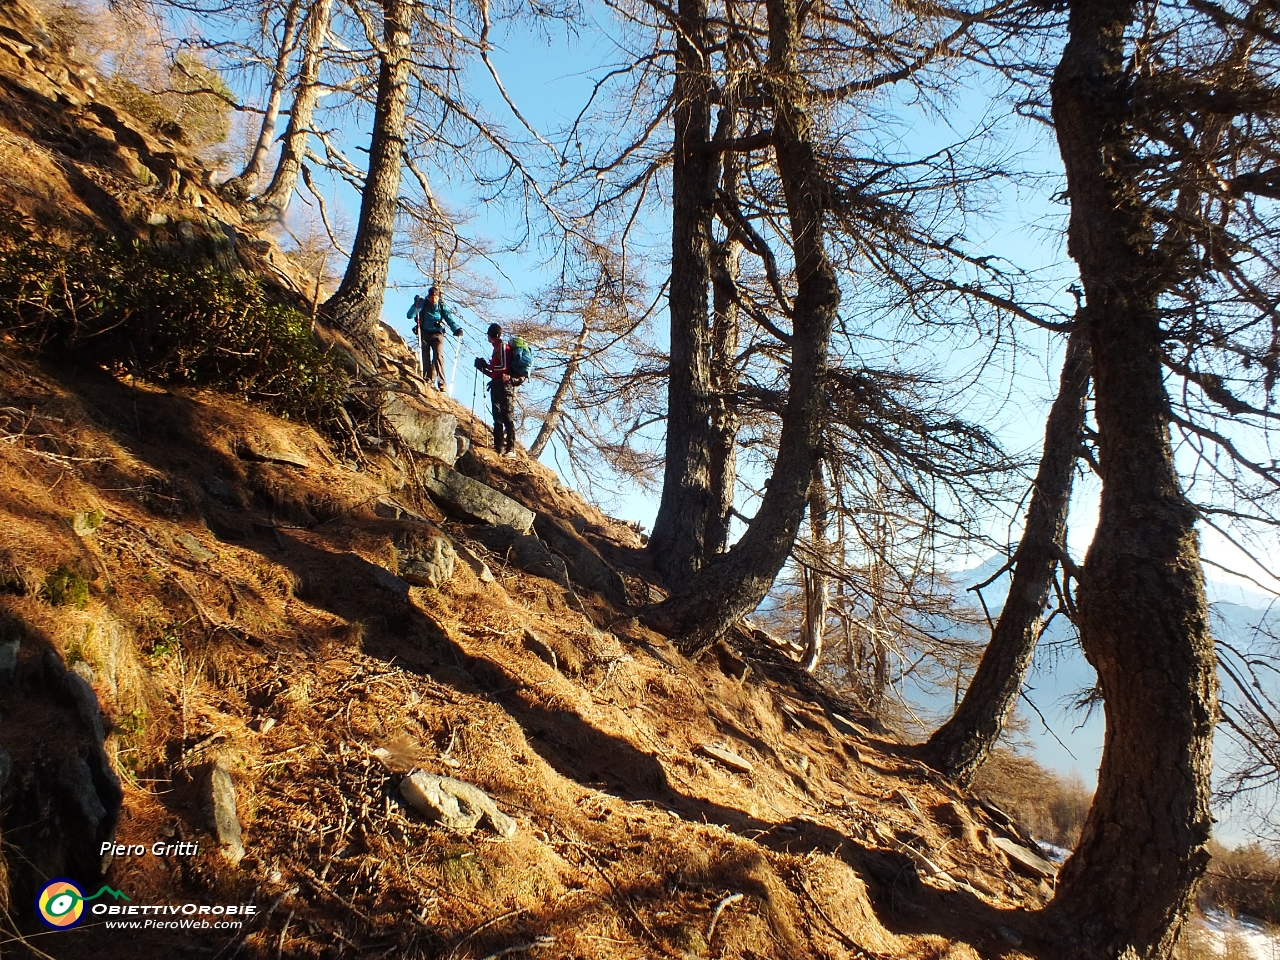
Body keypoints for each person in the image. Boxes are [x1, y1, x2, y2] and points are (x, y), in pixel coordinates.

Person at [407, 286, 462, 391]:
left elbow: (449, 319)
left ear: (438, 297)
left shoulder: (441, 306)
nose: (433, 300)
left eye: (435, 297)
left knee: (438, 356)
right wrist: (415, 305)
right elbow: (410, 315)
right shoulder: (423, 304)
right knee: (425, 356)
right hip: (425, 333)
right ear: (428, 297)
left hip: (438, 334)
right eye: (432, 297)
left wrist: (456, 329)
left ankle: (442, 383)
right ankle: (427, 378)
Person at [475, 322, 517, 456]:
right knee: (497, 418)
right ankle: (498, 448)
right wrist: (483, 368)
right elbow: (494, 373)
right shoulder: (496, 348)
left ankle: (511, 449)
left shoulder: (503, 346)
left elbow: (504, 367)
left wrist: (488, 366)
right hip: (496, 385)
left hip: (505, 385)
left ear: (490, 335)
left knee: (507, 417)